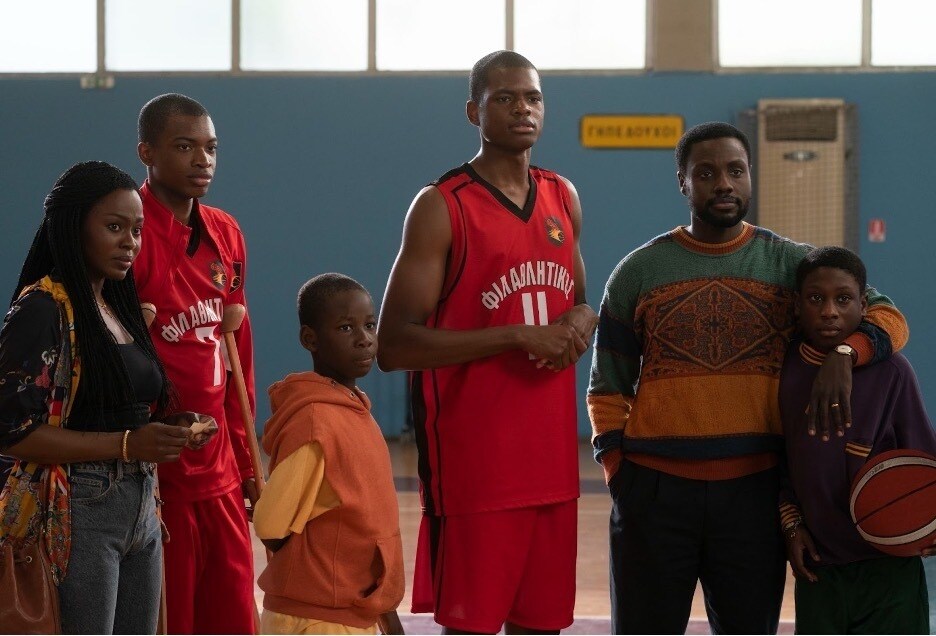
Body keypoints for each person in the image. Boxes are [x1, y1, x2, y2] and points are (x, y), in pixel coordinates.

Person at [587, 121, 910, 634]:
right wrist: (620, 473)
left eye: (735, 170)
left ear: (750, 177)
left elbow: (889, 315)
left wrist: (845, 353)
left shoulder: (790, 265)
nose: (724, 184)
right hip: (654, 492)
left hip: (754, 495)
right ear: (682, 182)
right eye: (707, 172)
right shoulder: (638, 272)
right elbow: (607, 388)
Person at [377, 50, 597, 634]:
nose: (522, 108)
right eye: (505, 98)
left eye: (532, 97)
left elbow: (578, 297)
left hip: (553, 463)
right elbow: (393, 345)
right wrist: (515, 336)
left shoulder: (561, 196)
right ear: (475, 110)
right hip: (477, 466)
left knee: (543, 626)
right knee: (470, 627)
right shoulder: (441, 205)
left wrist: (581, 322)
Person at [0, 161, 194, 634]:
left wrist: (170, 429)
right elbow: (13, 434)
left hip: (141, 505)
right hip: (76, 509)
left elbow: (121, 407)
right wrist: (128, 444)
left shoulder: (117, 306)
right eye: (114, 227)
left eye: (137, 230)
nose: (130, 242)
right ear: (72, 227)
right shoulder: (42, 308)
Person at [133, 93, 258, 634]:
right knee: (170, 619)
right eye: (184, 147)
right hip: (157, 474)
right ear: (147, 153)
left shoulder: (226, 233)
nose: (202, 160)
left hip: (223, 470)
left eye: (210, 148)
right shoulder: (127, 235)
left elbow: (239, 357)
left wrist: (250, 465)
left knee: (232, 616)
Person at [779, 246, 936, 634]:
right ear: (797, 306)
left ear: (864, 305)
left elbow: (924, 462)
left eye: (843, 299)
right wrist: (790, 523)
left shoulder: (893, 371)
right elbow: (779, 462)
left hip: (889, 567)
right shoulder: (781, 372)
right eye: (816, 299)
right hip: (821, 568)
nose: (829, 310)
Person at [254, 273, 405, 636]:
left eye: (370, 325)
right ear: (311, 339)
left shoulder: (353, 410)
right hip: (315, 618)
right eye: (345, 328)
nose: (365, 339)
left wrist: (388, 614)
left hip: (351, 611)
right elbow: (271, 525)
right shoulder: (315, 422)